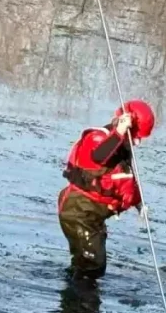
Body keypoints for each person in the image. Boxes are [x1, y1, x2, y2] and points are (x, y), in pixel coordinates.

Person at [58, 100, 154, 278]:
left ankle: (78, 293)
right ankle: (81, 302)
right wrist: (119, 132)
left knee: (87, 263)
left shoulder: (122, 149)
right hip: (78, 212)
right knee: (93, 265)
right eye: (136, 137)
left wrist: (138, 203)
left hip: (94, 217)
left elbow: (125, 180)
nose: (138, 143)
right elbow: (99, 156)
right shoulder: (98, 139)